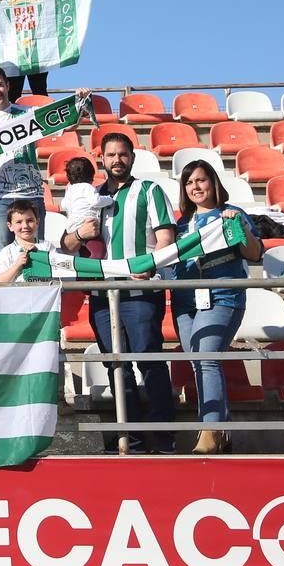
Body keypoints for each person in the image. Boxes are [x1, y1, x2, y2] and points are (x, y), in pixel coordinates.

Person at [60, 131, 177, 454]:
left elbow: (166, 237)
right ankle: (131, 437)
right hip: (102, 297)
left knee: (148, 360)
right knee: (117, 365)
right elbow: (66, 246)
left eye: (122, 154)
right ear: (102, 159)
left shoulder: (148, 191)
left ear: (132, 157)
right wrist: (79, 234)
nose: (117, 160)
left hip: (139, 293)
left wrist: (151, 266)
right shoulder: (91, 196)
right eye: (111, 155)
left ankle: (165, 437)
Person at [170, 159, 262, 455]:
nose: (196, 187)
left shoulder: (230, 214)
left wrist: (239, 228)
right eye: (189, 182)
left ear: (213, 183)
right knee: (198, 360)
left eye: (201, 180)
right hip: (186, 301)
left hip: (223, 295)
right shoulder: (180, 224)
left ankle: (209, 433)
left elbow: (255, 253)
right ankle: (223, 431)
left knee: (206, 356)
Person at [0, 67, 48, 274]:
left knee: (37, 252)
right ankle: (1, 303)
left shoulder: (28, 114)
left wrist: (80, 104)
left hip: (32, 194)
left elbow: (63, 125)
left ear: (8, 85)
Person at [0, 199, 57, 284]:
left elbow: (58, 272)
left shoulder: (47, 247)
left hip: (43, 295)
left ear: (37, 222)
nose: (25, 226)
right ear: (10, 226)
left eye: (30, 221)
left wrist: (40, 256)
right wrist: (17, 265)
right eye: (19, 222)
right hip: (16, 296)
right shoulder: (7, 252)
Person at [60, 156, 112, 259]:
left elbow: (63, 205)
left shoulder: (70, 189)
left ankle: (85, 270)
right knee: (99, 251)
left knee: (84, 252)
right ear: (91, 177)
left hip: (72, 227)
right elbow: (96, 201)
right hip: (86, 224)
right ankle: (92, 269)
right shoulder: (87, 187)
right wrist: (109, 199)